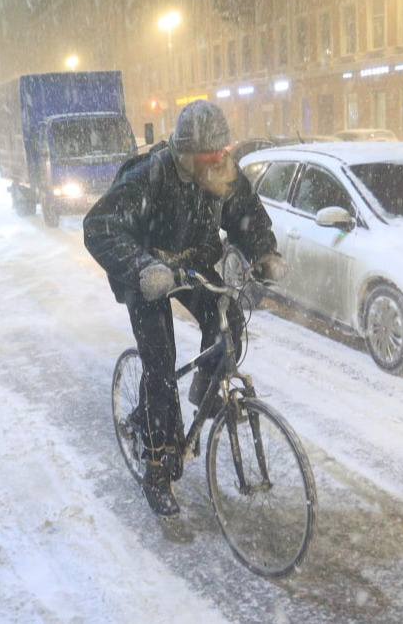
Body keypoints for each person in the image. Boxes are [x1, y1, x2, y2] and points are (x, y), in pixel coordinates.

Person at [83, 100, 286, 517]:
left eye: (221, 151)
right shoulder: (149, 176)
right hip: (149, 272)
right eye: (208, 154)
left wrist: (264, 254)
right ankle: (157, 469)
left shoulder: (220, 170)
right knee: (160, 362)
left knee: (228, 319)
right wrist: (142, 267)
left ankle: (206, 389)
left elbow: (245, 214)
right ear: (185, 151)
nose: (217, 160)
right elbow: (99, 227)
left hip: (193, 263)